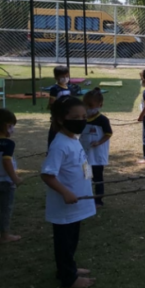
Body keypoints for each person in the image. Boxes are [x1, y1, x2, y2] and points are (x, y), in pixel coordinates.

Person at [40, 96, 97, 288]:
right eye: (76, 117)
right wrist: (65, 192)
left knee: (71, 241)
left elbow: (80, 164)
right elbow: (47, 175)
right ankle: (69, 279)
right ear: (61, 119)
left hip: (77, 204)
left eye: (83, 116)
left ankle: (69, 268)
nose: (81, 120)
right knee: (64, 244)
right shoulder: (60, 144)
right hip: (65, 207)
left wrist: (89, 179)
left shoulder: (73, 139)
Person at [79, 88, 112, 208]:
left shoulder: (102, 120)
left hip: (97, 156)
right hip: (85, 155)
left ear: (100, 105)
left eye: (91, 106)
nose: (88, 108)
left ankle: (98, 200)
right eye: (85, 105)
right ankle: (87, 196)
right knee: (87, 176)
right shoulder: (82, 118)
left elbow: (108, 134)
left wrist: (99, 142)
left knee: (98, 178)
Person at [0, 108, 22, 243]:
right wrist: (15, 178)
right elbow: (6, 161)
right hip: (6, 183)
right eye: (12, 126)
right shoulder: (8, 143)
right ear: (7, 126)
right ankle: (4, 235)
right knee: (5, 209)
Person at [48, 65, 72, 149]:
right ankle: (51, 148)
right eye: (62, 77)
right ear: (56, 77)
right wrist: (54, 114)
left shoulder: (69, 87)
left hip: (67, 114)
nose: (65, 78)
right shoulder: (55, 89)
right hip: (58, 114)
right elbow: (52, 102)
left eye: (67, 76)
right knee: (54, 131)